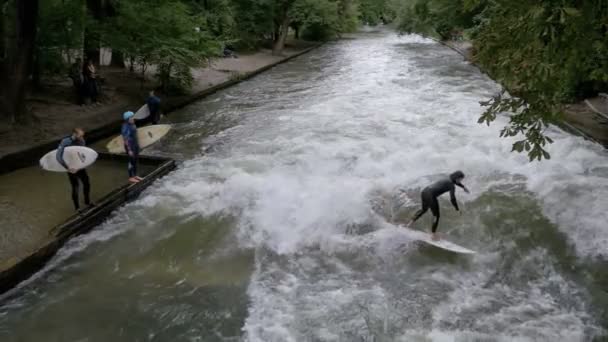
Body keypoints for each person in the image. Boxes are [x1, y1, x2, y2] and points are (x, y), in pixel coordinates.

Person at [408, 171, 470, 241]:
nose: (460, 181)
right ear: (456, 178)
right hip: (431, 196)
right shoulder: (451, 186)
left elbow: (456, 183)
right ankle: (433, 234)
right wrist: (457, 209)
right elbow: (452, 199)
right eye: (460, 179)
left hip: (425, 191)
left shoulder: (447, 179)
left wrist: (463, 187)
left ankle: (409, 224)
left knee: (424, 210)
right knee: (436, 216)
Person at [56, 128, 92, 211]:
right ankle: (77, 208)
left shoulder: (82, 141)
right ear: (74, 134)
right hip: (70, 167)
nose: (81, 137)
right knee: (75, 186)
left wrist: (84, 162)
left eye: (82, 135)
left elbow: (83, 154)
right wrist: (67, 168)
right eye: (80, 135)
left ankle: (87, 202)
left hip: (80, 166)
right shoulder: (65, 142)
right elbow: (58, 156)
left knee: (87, 183)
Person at [122, 111, 143, 183]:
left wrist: (138, 145)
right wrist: (129, 150)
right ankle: (130, 177)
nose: (133, 118)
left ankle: (135, 175)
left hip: (135, 145)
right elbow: (125, 140)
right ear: (127, 119)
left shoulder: (133, 124)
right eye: (132, 117)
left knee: (135, 161)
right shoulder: (125, 127)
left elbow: (136, 136)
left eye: (133, 116)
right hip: (130, 146)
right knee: (131, 161)